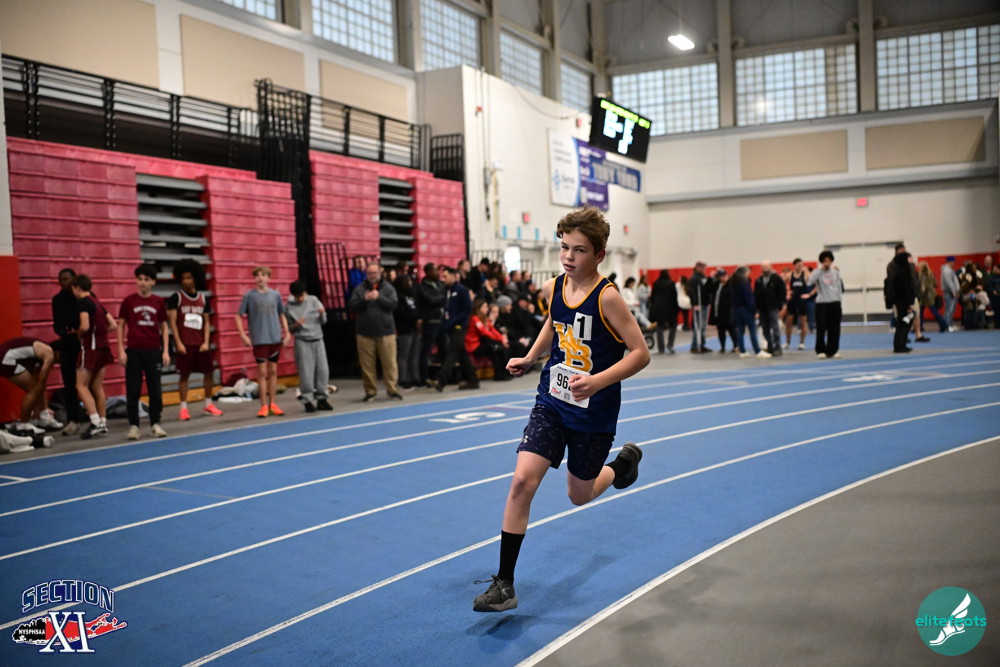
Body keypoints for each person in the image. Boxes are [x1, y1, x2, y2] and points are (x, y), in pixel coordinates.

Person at [472, 207, 649, 613]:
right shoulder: (554, 286)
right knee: (522, 482)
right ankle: (504, 585)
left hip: (593, 412)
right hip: (552, 401)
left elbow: (641, 353)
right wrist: (531, 356)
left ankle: (621, 466)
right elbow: (553, 324)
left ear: (599, 254)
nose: (569, 256)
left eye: (579, 250)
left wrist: (598, 381)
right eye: (564, 247)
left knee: (578, 495)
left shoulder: (608, 298)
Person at [117, 264, 170, 440]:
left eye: (146, 280)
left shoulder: (158, 302)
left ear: (153, 282)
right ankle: (134, 426)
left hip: (153, 350)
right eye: (140, 279)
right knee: (133, 389)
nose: (142, 283)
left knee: (155, 389)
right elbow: (121, 325)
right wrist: (121, 349)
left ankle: (155, 423)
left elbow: (164, 326)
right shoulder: (129, 301)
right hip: (133, 351)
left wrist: (165, 351)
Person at [167, 259, 223, 422]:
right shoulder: (176, 298)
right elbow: (172, 323)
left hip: (200, 344)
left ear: (195, 278)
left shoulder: (203, 299)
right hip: (185, 344)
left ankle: (208, 404)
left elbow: (206, 322)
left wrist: (206, 342)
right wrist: (178, 343)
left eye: (189, 278)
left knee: (209, 373)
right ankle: (183, 408)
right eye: (183, 278)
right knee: (184, 376)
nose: (186, 281)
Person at [236, 266, 291, 418]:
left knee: (273, 371)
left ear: (269, 277)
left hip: (275, 337)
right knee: (262, 372)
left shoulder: (275, 295)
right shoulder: (249, 296)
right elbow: (238, 315)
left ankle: (273, 403)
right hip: (259, 338)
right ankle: (263, 405)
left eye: (263, 275)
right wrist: (243, 335)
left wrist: (286, 332)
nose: (260, 278)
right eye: (257, 275)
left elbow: (281, 314)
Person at [349, 262, 402, 402]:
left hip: (386, 332)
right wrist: (364, 299)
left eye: (374, 273)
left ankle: (392, 389)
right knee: (367, 364)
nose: (372, 276)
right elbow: (353, 307)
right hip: (364, 332)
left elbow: (393, 305)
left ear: (380, 272)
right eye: (369, 273)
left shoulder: (388, 288)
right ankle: (370, 391)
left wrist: (379, 297)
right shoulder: (359, 289)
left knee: (390, 363)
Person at [73, 274, 116, 439]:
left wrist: (78, 334)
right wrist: (99, 334)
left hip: (90, 348)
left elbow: (84, 325)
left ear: (77, 288)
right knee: (97, 386)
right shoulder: (98, 303)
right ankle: (103, 421)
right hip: (103, 347)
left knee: (80, 385)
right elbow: (112, 325)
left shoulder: (83, 302)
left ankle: (95, 421)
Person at [0, 337, 59, 444]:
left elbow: (41, 383)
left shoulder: (39, 355)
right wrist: (45, 409)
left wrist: (44, 410)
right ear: (59, 353)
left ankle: (37, 418)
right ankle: (24, 424)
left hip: (6, 356)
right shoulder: (49, 354)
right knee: (34, 388)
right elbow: (41, 380)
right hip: (6, 357)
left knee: (36, 387)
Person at [429, 266, 479, 391]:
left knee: (452, 352)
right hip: (449, 326)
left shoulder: (461, 290)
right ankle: (473, 379)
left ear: (453, 276)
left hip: (459, 326)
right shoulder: (446, 291)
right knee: (462, 354)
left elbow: (467, 309)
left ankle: (441, 380)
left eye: (446, 276)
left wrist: (455, 321)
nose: (443, 279)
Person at [286, 280, 332, 412]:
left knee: (323, 370)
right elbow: (289, 328)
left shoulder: (313, 300)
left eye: (301, 295)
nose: (300, 299)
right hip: (302, 341)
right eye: (297, 297)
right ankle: (307, 399)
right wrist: (296, 325)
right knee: (306, 372)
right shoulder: (289, 307)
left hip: (318, 338)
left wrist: (322, 313)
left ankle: (322, 398)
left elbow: (323, 321)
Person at [51, 267, 80, 433]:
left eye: (66, 279)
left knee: (88, 384)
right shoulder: (57, 300)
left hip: (84, 345)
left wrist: (79, 331)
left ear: (74, 279)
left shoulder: (83, 296)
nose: (63, 283)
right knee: (69, 384)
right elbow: (56, 324)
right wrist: (64, 331)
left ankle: (98, 419)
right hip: (67, 345)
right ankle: (73, 420)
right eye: (60, 280)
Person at [466, 298, 512, 381]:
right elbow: (484, 332)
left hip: (481, 343)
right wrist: (500, 338)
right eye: (484, 307)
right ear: (478, 308)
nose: (487, 309)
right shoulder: (475, 319)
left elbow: (492, 330)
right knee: (495, 349)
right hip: (473, 346)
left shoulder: (485, 319)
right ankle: (499, 374)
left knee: (498, 348)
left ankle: (503, 373)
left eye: (487, 307)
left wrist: (502, 338)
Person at [808, 250, 844, 359]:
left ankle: (833, 350)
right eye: (825, 261)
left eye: (829, 260)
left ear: (831, 261)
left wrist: (839, 300)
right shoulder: (818, 272)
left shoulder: (835, 272)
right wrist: (820, 270)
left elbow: (839, 287)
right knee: (821, 328)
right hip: (822, 303)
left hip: (835, 302)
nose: (827, 263)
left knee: (835, 328)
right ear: (822, 262)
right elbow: (810, 281)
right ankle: (820, 350)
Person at [416, 263, 445, 388]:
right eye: (434, 270)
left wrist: (440, 298)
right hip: (430, 321)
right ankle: (424, 377)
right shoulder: (422, 287)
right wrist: (441, 298)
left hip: (442, 321)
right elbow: (431, 300)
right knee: (426, 350)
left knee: (444, 349)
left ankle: (443, 377)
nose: (437, 273)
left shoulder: (440, 284)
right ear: (427, 272)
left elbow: (443, 298)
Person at [731, 267, 769, 358]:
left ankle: (742, 351)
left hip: (737, 309)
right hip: (746, 309)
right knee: (752, 330)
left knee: (740, 331)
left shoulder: (733, 283)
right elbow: (748, 297)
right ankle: (757, 351)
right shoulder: (744, 283)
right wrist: (754, 310)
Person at [393, 271, 421, 391]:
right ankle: (403, 379)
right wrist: (414, 319)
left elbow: (417, 308)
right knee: (404, 354)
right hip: (405, 328)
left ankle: (415, 377)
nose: (410, 283)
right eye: (407, 281)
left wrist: (419, 318)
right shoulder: (398, 297)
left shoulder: (411, 295)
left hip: (415, 327)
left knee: (414, 354)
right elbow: (401, 313)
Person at [754, 261, 786, 356]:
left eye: (767, 267)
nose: (765, 269)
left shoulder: (776, 278)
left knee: (775, 327)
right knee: (765, 329)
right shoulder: (759, 280)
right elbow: (756, 294)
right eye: (763, 267)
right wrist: (757, 307)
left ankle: (778, 347)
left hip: (773, 307)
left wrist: (781, 304)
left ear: (770, 267)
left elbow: (782, 291)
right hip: (762, 308)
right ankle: (770, 346)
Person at [886, 251, 916, 353]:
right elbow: (905, 291)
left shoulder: (900, 273)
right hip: (903, 303)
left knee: (903, 323)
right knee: (903, 323)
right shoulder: (901, 274)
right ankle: (899, 345)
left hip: (902, 302)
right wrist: (909, 304)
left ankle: (901, 344)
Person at [648, 269, 678, 354]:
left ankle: (661, 348)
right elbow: (674, 297)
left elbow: (652, 297)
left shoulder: (656, 284)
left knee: (660, 327)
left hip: (658, 309)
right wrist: (676, 308)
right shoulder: (671, 284)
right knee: (673, 326)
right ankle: (670, 344)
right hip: (669, 308)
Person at [784, 259, 810, 350]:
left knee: (803, 322)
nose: (800, 266)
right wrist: (787, 292)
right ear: (794, 265)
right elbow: (782, 284)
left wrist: (809, 294)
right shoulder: (790, 275)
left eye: (801, 265)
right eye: (798, 265)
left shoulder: (806, 274)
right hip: (792, 300)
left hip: (802, 300)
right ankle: (787, 342)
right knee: (789, 322)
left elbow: (816, 283)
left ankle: (802, 342)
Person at [711, 269, 739, 353]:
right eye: (721, 276)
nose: (724, 278)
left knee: (731, 329)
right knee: (721, 330)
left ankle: (736, 345)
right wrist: (711, 277)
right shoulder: (717, 285)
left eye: (725, 276)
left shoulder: (730, 285)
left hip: (728, 312)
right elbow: (709, 288)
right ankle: (722, 346)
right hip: (718, 312)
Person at [917, 261, 948, 333]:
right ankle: (944, 326)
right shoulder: (931, 274)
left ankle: (920, 327)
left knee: (921, 312)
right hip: (932, 295)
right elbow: (935, 284)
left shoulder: (922, 276)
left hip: (925, 297)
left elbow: (923, 288)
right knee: (934, 312)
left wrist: (919, 296)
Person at [689, 262, 711, 352]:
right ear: (697, 267)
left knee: (703, 326)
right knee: (698, 325)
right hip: (699, 305)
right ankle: (695, 345)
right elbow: (692, 291)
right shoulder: (694, 278)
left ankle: (701, 344)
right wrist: (695, 303)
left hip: (705, 304)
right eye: (702, 267)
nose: (704, 269)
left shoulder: (703, 277)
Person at [940, 256, 960, 331]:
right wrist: (953, 291)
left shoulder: (950, 270)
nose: (954, 263)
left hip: (952, 292)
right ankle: (946, 326)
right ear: (950, 261)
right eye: (953, 261)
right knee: (948, 311)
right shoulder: (946, 270)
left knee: (951, 311)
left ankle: (950, 324)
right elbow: (949, 282)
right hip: (949, 293)